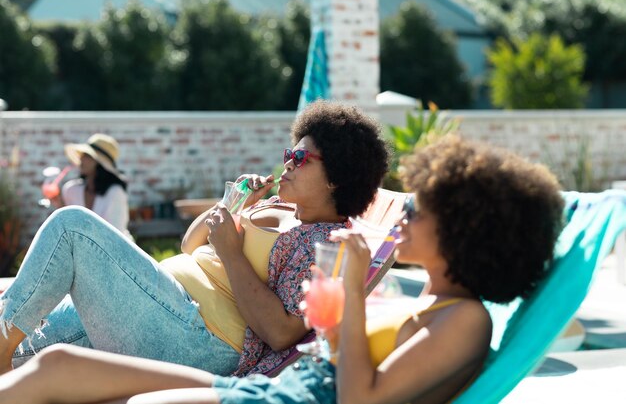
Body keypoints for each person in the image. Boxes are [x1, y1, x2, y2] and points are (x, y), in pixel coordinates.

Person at [0, 134, 564, 404]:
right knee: (56, 363)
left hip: (279, 395)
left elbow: (359, 398)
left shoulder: (465, 322)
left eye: (421, 207)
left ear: (464, 234)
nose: (403, 213)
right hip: (272, 382)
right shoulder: (435, 307)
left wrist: (350, 299)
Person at [0, 101, 389, 379]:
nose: (287, 163)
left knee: (72, 228)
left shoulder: (327, 242)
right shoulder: (274, 205)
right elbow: (190, 245)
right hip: (158, 306)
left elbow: (283, 332)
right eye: (289, 153)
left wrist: (232, 252)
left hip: (200, 338)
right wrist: (232, 204)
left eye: (300, 159)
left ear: (337, 176)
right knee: (23, 347)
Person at [50, 133, 132, 238]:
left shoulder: (115, 193)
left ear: (100, 163)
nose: (81, 159)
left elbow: (116, 236)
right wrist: (59, 205)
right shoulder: (71, 190)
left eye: (88, 155)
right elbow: (68, 230)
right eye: (82, 154)